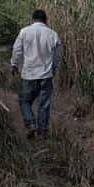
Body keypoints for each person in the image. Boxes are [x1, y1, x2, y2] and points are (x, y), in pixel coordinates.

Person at [10, 8, 63, 139]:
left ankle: (31, 124)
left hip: (29, 75)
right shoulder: (52, 34)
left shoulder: (24, 32)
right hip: (46, 75)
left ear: (33, 20)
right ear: (46, 20)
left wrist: (14, 64)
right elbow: (58, 55)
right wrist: (54, 68)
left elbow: (17, 50)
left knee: (24, 101)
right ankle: (42, 131)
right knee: (44, 104)